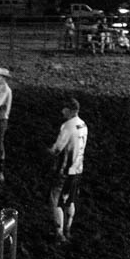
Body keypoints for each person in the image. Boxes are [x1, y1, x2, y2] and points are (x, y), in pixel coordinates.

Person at [47, 97, 88, 242]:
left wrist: (49, 151)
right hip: (78, 169)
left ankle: (59, 232)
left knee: (56, 201)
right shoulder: (83, 125)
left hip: (65, 170)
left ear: (70, 110)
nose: (62, 111)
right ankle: (68, 229)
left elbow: (58, 148)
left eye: (64, 109)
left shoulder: (67, 126)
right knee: (71, 201)